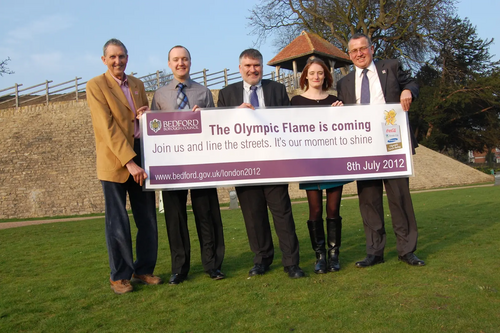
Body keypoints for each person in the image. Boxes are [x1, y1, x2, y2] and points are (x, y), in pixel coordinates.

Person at [336, 33, 425, 267]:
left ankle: (407, 250)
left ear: (372, 49)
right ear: (349, 55)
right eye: (354, 51)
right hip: (363, 150)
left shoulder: (391, 67)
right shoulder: (343, 83)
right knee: (369, 201)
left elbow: (412, 83)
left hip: (392, 146)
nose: (359, 54)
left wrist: (408, 91)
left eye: (363, 48)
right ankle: (374, 252)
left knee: (400, 199)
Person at [218, 48, 305, 278]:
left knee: (283, 214)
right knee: (253, 217)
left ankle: (291, 262)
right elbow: (218, 129)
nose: (252, 69)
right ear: (240, 68)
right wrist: (234, 114)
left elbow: (289, 124)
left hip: (273, 164)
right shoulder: (227, 95)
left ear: (262, 66)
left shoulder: (277, 89)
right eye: (247, 66)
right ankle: (262, 260)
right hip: (244, 166)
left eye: (256, 65)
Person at [87, 38, 162, 294]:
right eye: (112, 57)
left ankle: (144, 269)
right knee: (117, 221)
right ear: (104, 60)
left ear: (127, 57)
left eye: (121, 56)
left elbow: (140, 124)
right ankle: (119, 276)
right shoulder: (95, 86)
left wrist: (144, 115)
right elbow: (106, 128)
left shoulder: (138, 84)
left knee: (148, 219)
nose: (117, 61)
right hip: (115, 160)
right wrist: (129, 162)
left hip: (141, 155)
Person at [150, 46, 225, 285]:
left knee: (207, 214)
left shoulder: (203, 92)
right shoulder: (159, 95)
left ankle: (212, 265)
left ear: (190, 62)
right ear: (169, 64)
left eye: (184, 59)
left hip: (200, 163)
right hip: (172, 167)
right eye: (176, 60)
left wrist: (204, 116)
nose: (180, 63)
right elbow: (153, 133)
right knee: (175, 218)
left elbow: (215, 128)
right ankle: (179, 268)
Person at [290, 57, 346, 274]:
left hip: (333, 162)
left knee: (333, 209)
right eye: (312, 73)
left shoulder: (335, 100)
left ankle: (334, 255)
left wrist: (341, 114)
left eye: (320, 73)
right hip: (309, 164)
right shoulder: (295, 102)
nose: (316, 77)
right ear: (305, 76)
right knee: (315, 209)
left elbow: (344, 130)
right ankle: (319, 256)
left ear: (325, 76)